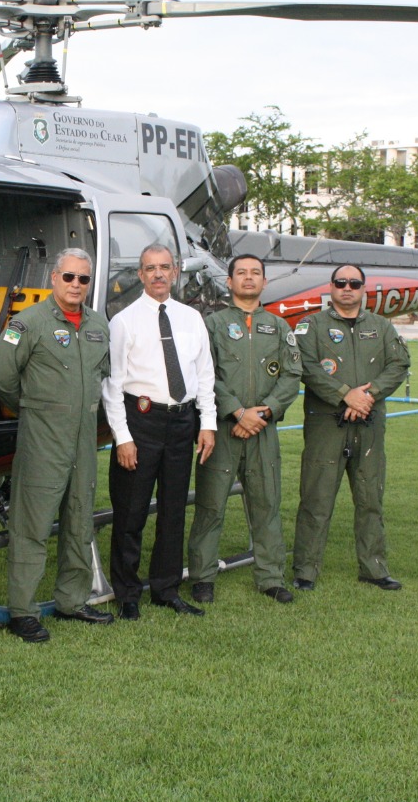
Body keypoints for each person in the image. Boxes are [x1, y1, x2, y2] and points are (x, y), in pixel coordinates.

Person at [0, 247, 115, 643]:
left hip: (83, 441)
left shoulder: (99, 324)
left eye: (83, 279)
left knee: (79, 522)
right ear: (54, 278)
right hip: (43, 440)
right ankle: (23, 612)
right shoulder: (28, 323)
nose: (76, 285)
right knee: (33, 527)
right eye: (69, 277)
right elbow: (2, 379)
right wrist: (36, 408)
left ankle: (72, 601)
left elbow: (104, 373)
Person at [103, 243, 216, 618]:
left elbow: (204, 375)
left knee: (173, 511)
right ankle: (128, 593)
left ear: (176, 270)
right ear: (140, 274)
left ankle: (166, 589)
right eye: (150, 268)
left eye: (164, 267)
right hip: (141, 420)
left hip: (183, 422)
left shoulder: (191, 318)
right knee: (131, 511)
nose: (158, 274)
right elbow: (113, 385)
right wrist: (123, 437)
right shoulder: (124, 321)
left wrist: (208, 424)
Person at [189, 254, 302, 605]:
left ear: (265, 282)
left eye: (256, 273)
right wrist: (237, 413)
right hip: (220, 429)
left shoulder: (279, 327)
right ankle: (202, 577)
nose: (249, 279)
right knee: (210, 506)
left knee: (266, 503)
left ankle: (270, 577)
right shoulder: (212, 324)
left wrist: (262, 414)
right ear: (229, 282)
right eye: (241, 273)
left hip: (263, 431)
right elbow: (204, 373)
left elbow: (291, 375)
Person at [292, 264, 410, 592]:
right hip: (326, 423)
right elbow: (306, 367)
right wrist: (346, 395)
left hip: (369, 425)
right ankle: (305, 569)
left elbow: (399, 364)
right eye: (340, 282)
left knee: (370, 496)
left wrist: (368, 396)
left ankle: (374, 568)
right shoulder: (311, 325)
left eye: (354, 283)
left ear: (363, 289)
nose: (347, 288)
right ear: (330, 287)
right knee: (316, 497)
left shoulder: (382, 327)